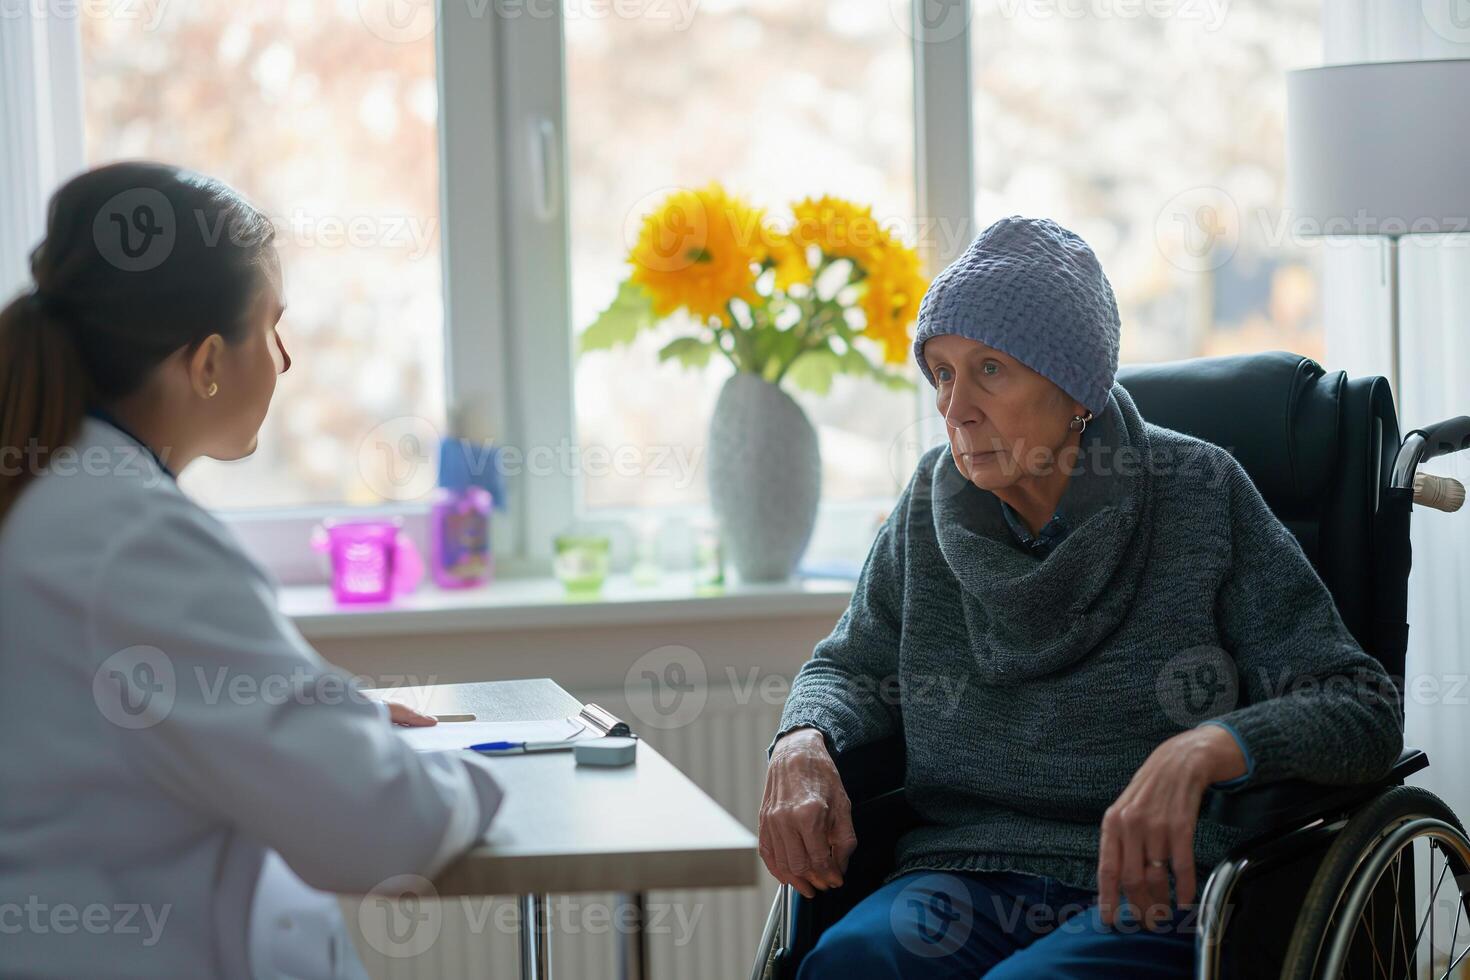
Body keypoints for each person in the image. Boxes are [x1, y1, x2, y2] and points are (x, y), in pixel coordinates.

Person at [758, 216, 1403, 978]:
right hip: (962, 871)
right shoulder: (928, 511)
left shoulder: (1199, 493)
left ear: (1076, 390)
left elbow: (1361, 706)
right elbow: (848, 667)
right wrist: (802, 741)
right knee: (847, 964)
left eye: (989, 370)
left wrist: (1207, 748)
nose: (954, 407)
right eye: (941, 372)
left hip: (1156, 883)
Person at [0, 162, 501, 978]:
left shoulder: (50, 498)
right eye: (272, 327)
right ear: (204, 364)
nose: (285, 360)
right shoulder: (133, 541)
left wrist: (327, 724)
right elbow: (380, 831)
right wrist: (459, 773)